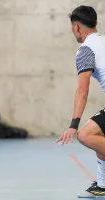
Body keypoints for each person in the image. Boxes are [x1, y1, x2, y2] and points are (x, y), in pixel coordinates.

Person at [56, 5, 105, 197]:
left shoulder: (86, 50)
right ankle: (102, 184)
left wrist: (73, 125)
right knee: (97, 134)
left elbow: (82, 91)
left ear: (77, 27)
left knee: (85, 135)